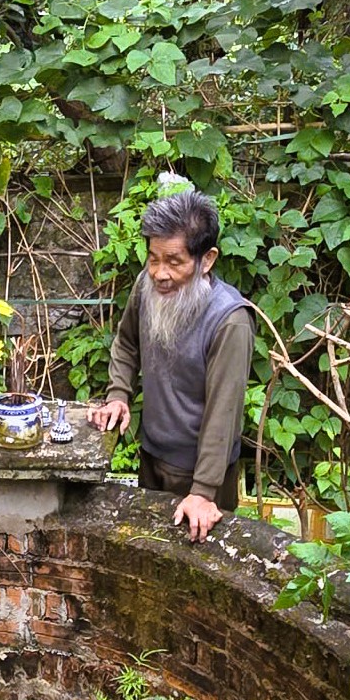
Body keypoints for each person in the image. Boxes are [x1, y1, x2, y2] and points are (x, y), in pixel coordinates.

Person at [88, 183, 258, 542]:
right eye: (153, 258)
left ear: (206, 260)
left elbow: (223, 412)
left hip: (203, 475)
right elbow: (126, 342)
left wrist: (203, 491)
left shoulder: (230, 320)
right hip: (152, 456)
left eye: (174, 261)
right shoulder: (148, 286)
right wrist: (118, 393)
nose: (160, 273)